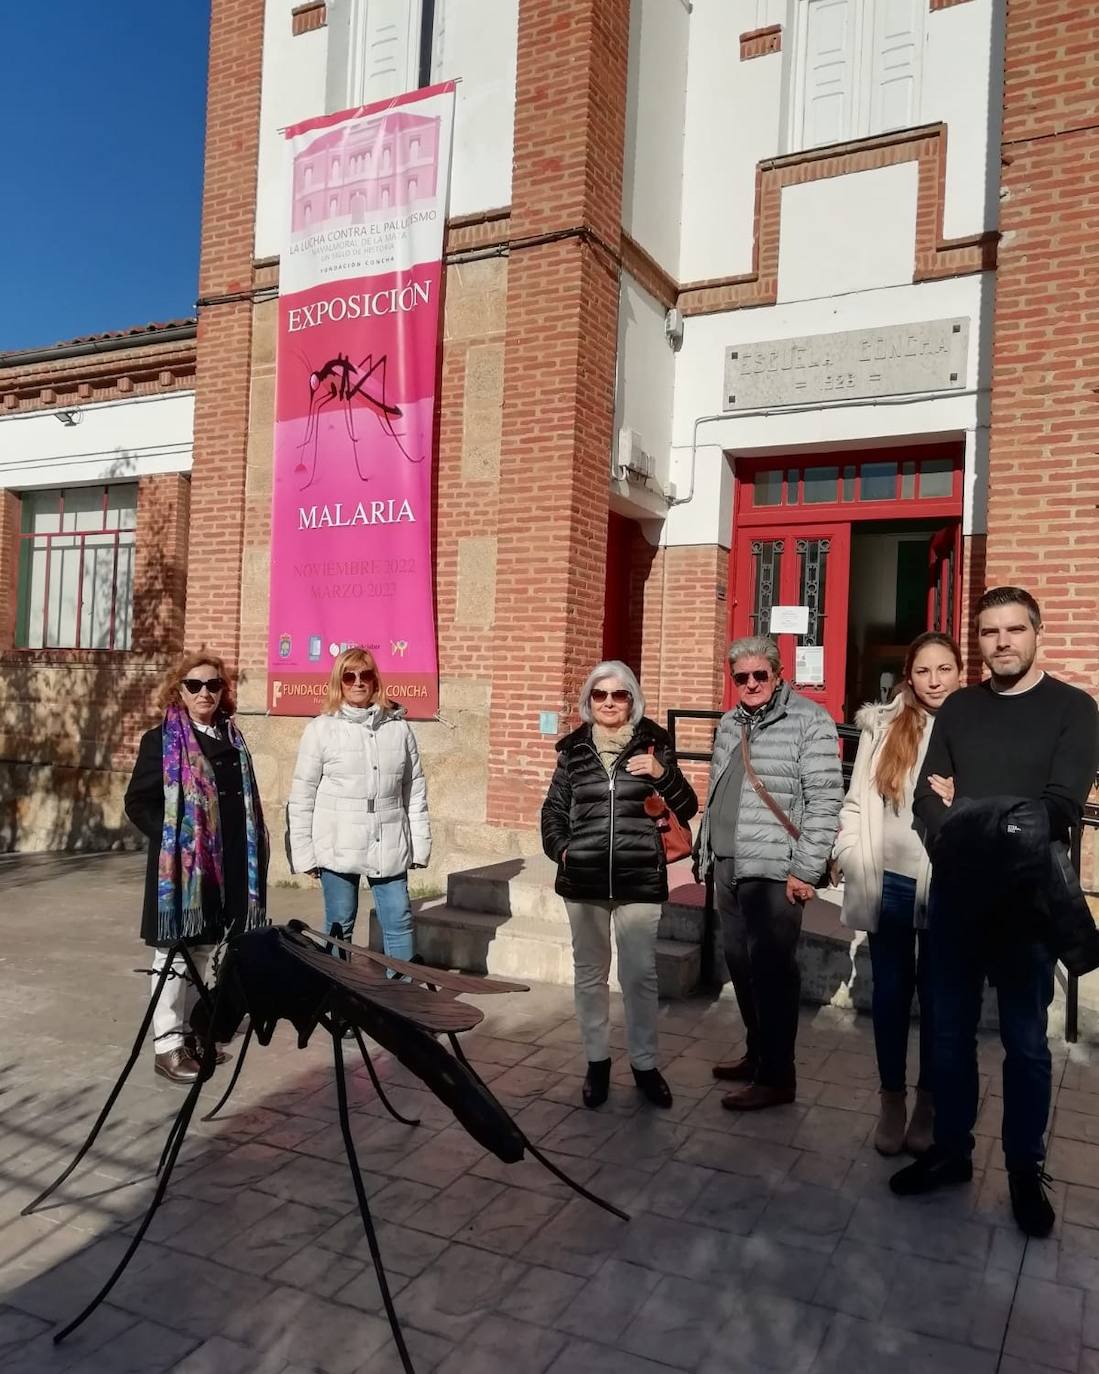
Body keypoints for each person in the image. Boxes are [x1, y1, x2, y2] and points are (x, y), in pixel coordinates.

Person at [890, 587, 1099, 1237]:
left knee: (1025, 1046)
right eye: (986, 632)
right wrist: (978, 814)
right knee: (947, 1038)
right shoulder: (959, 706)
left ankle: (1021, 1168)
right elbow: (924, 801)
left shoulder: (1073, 709)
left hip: (1027, 906)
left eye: (1013, 629)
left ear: (1037, 634)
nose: (1000, 641)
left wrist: (966, 811)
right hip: (956, 901)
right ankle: (951, 1152)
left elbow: (1057, 807)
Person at [541, 660, 698, 1110]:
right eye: (600, 695)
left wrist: (662, 773)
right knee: (590, 976)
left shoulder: (655, 745)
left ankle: (645, 1066)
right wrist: (562, 850)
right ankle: (597, 1062)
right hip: (584, 880)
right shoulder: (572, 751)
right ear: (589, 702)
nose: (609, 703)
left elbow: (686, 807)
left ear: (633, 699)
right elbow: (553, 811)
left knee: (639, 977)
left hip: (639, 880)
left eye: (619, 694)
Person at [696, 635, 843, 1111]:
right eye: (742, 677)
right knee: (740, 963)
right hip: (729, 861)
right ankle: (758, 1054)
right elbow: (718, 790)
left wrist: (807, 868)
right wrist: (706, 853)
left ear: (779, 675)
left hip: (776, 868)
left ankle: (779, 1076)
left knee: (774, 971)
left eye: (761, 675)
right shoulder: (728, 722)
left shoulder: (809, 720)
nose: (752, 684)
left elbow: (824, 799)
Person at [834, 632, 963, 1155]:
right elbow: (857, 801)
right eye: (924, 670)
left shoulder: (975, 724)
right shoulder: (883, 725)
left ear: (959, 672)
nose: (934, 680)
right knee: (889, 996)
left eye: (945, 669)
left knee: (937, 999)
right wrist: (848, 852)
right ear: (909, 675)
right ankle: (891, 1099)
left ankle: (928, 1103)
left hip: (946, 884)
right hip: (888, 880)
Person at [125, 652, 268, 1084]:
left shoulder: (233, 740)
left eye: (213, 685)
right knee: (173, 954)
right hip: (181, 874)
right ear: (179, 691)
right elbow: (138, 802)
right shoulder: (161, 741)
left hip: (224, 871)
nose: (204, 692)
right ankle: (166, 1046)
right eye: (194, 685)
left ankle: (190, 1034)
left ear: (223, 692)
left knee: (203, 952)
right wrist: (177, 840)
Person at [288, 647, 429, 967]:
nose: (358, 682)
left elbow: (415, 790)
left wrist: (418, 847)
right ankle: (338, 1002)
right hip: (337, 843)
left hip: (389, 840)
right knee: (340, 925)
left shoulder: (399, 729)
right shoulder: (321, 730)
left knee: (399, 920)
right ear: (339, 682)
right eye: (349, 676)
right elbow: (302, 796)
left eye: (365, 675)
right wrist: (305, 854)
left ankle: (404, 1005)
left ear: (375, 680)